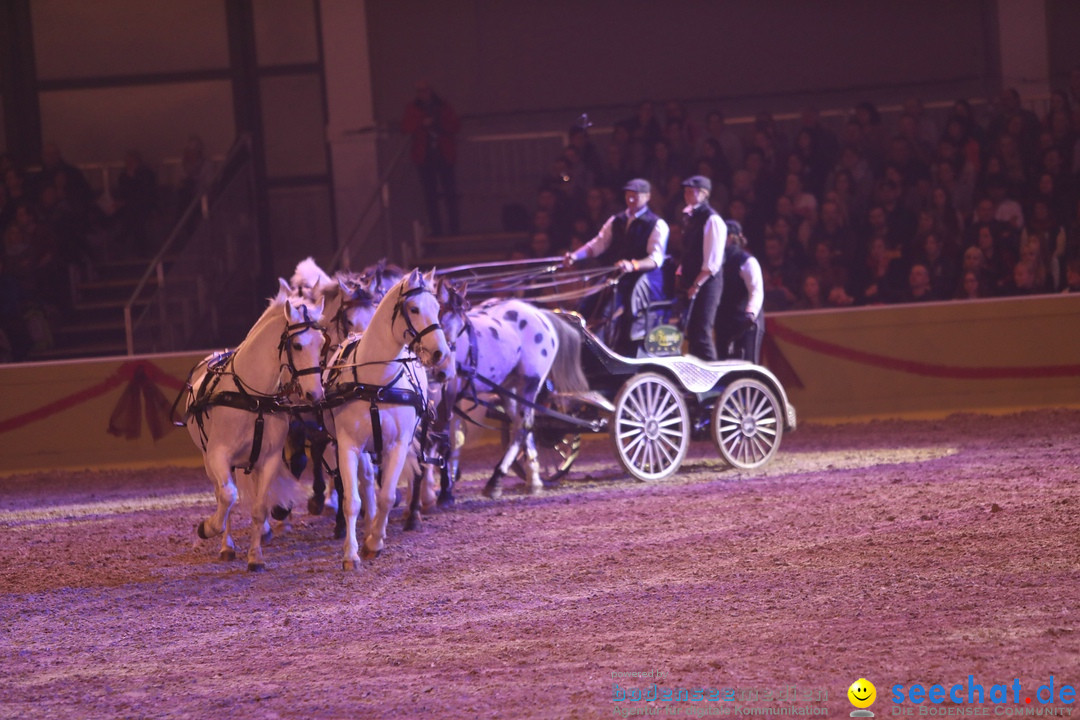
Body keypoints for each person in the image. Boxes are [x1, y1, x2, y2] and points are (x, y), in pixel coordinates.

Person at [564, 178, 669, 356]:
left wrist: (633, 264)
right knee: (589, 302)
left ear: (648, 197)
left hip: (643, 279)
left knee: (624, 308)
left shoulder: (656, 224)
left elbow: (655, 259)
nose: (631, 200)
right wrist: (575, 256)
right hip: (618, 275)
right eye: (629, 196)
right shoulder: (616, 220)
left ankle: (622, 350)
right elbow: (597, 244)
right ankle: (583, 347)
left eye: (636, 196)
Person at [674, 175, 726, 361]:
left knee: (701, 332)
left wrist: (696, 284)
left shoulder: (712, 219)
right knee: (692, 332)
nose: (687, 194)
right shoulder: (690, 217)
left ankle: (712, 379)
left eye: (692, 190)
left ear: (704, 194)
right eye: (686, 190)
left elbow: (712, 262)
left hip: (707, 284)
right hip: (692, 281)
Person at [402, 80, 461, 236]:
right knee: (430, 196)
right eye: (420, 91)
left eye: (425, 90)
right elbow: (406, 127)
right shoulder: (413, 108)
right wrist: (421, 123)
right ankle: (437, 230)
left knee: (450, 193)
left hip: (443, 155)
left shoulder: (443, 106)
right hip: (425, 157)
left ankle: (454, 228)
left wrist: (439, 123)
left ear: (431, 90)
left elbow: (455, 125)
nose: (423, 94)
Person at [714, 221, 764, 364]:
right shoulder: (716, 260)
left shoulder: (746, 261)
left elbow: (756, 290)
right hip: (724, 321)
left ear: (730, 237)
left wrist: (751, 313)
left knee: (746, 363)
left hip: (745, 323)